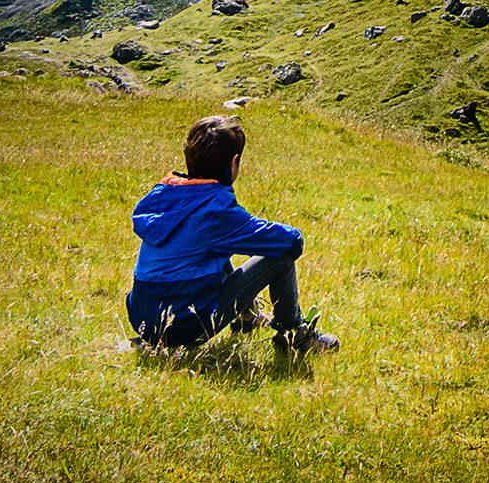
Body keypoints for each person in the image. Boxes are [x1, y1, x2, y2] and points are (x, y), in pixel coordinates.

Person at [126, 113, 338, 354]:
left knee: (214, 250)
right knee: (280, 258)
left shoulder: (166, 193)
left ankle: (247, 319)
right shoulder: (216, 209)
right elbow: (289, 242)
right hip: (184, 326)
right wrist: (296, 234)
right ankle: (295, 335)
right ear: (234, 162)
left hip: (143, 318)